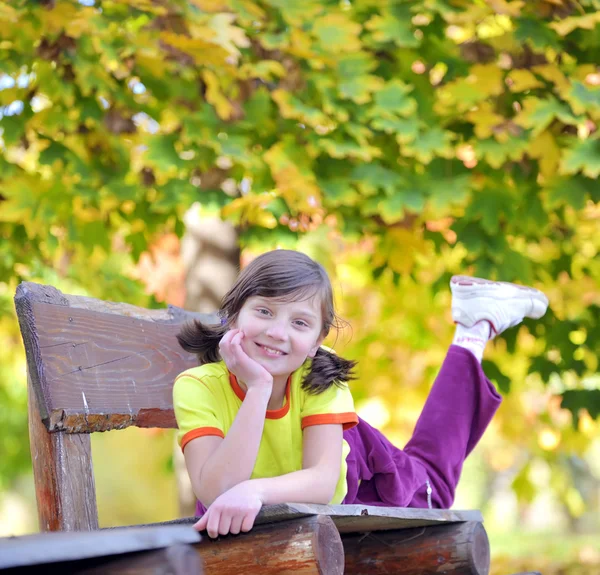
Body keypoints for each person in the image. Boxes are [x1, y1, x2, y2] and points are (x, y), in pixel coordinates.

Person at [173, 250, 548, 539]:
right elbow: (219, 490)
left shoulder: (318, 373)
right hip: (276, 507)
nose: (277, 332)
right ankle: (474, 325)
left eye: (299, 322)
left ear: (318, 341)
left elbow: (321, 483)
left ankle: (473, 329)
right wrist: (257, 389)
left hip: (361, 480)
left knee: (434, 489)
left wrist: (254, 491)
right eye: (264, 311)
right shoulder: (198, 386)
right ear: (234, 313)